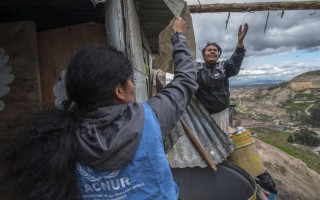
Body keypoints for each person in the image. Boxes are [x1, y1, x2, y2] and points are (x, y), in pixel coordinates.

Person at [0, 17, 198, 200]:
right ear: (119, 90)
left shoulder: (60, 134)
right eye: (130, 80)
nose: (133, 86)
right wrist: (179, 36)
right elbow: (186, 80)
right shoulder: (150, 117)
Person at [195, 23, 249, 134]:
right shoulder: (196, 68)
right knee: (202, 139)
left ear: (218, 55)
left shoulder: (224, 67)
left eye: (215, 50)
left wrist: (239, 43)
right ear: (204, 55)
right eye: (209, 50)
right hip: (200, 113)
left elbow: (235, 61)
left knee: (220, 140)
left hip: (220, 113)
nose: (213, 51)